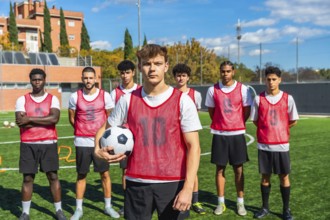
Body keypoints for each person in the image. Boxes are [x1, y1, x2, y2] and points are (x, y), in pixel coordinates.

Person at [95, 44, 202, 219]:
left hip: (173, 183)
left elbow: (194, 147)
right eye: (147, 63)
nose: (152, 69)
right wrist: (96, 150)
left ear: (166, 66)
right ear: (139, 67)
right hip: (136, 182)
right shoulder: (127, 100)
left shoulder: (183, 101)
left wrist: (188, 188)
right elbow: (104, 129)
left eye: (158, 63)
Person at [68, 67, 119, 219]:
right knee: (81, 175)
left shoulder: (105, 95)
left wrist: (102, 136)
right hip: (82, 141)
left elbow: (111, 118)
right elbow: (72, 118)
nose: (88, 81)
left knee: (104, 174)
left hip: (100, 143)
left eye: (91, 78)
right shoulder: (74, 96)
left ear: (96, 78)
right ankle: (78, 209)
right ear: (82, 78)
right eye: (85, 78)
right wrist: (81, 130)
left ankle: (108, 206)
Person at [15, 68, 66, 220]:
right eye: (34, 79)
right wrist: (45, 120)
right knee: (28, 178)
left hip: (48, 142)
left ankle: (59, 211)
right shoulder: (22, 100)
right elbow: (21, 123)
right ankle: (25, 213)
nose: (37, 82)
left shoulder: (53, 99)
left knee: (52, 176)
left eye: (40, 79)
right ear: (30, 80)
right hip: (28, 143)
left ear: (44, 80)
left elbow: (54, 119)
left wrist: (30, 119)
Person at [250, 66, 298, 220]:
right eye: (268, 79)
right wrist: (267, 131)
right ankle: (265, 208)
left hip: (282, 145)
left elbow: (293, 120)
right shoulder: (258, 99)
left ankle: (286, 210)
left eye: (274, 79)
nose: (271, 82)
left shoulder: (288, 98)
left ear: (280, 80)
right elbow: (256, 120)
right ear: (265, 80)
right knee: (265, 177)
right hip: (264, 145)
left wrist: (281, 129)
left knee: (284, 176)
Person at [205, 60, 252, 216]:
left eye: (228, 71)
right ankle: (221, 203)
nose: (225, 74)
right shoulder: (213, 90)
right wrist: (221, 123)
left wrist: (237, 123)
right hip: (219, 134)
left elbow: (246, 111)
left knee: (238, 170)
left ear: (233, 72)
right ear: (220, 72)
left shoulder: (243, 89)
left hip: (237, 134)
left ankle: (240, 203)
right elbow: (212, 112)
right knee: (220, 169)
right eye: (223, 71)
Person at [172, 63, 205, 215]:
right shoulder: (170, 93)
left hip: (188, 135)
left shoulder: (195, 95)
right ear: (174, 77)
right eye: (178, 75)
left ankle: (195, 200)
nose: (181, 78)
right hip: (173, 137)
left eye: (183, 75)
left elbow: (194, 115)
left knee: (192, 168)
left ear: (188, 77)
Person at [110, 60, 140, 216]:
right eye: (122, 73)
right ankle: (127, 203)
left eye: (128, 72)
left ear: (133, 72)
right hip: (123, 141)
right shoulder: (114, 93)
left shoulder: (141, 90)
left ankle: (142, 201)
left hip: (140, 138)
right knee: (126, 171)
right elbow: (111, 118)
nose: (125, 76)